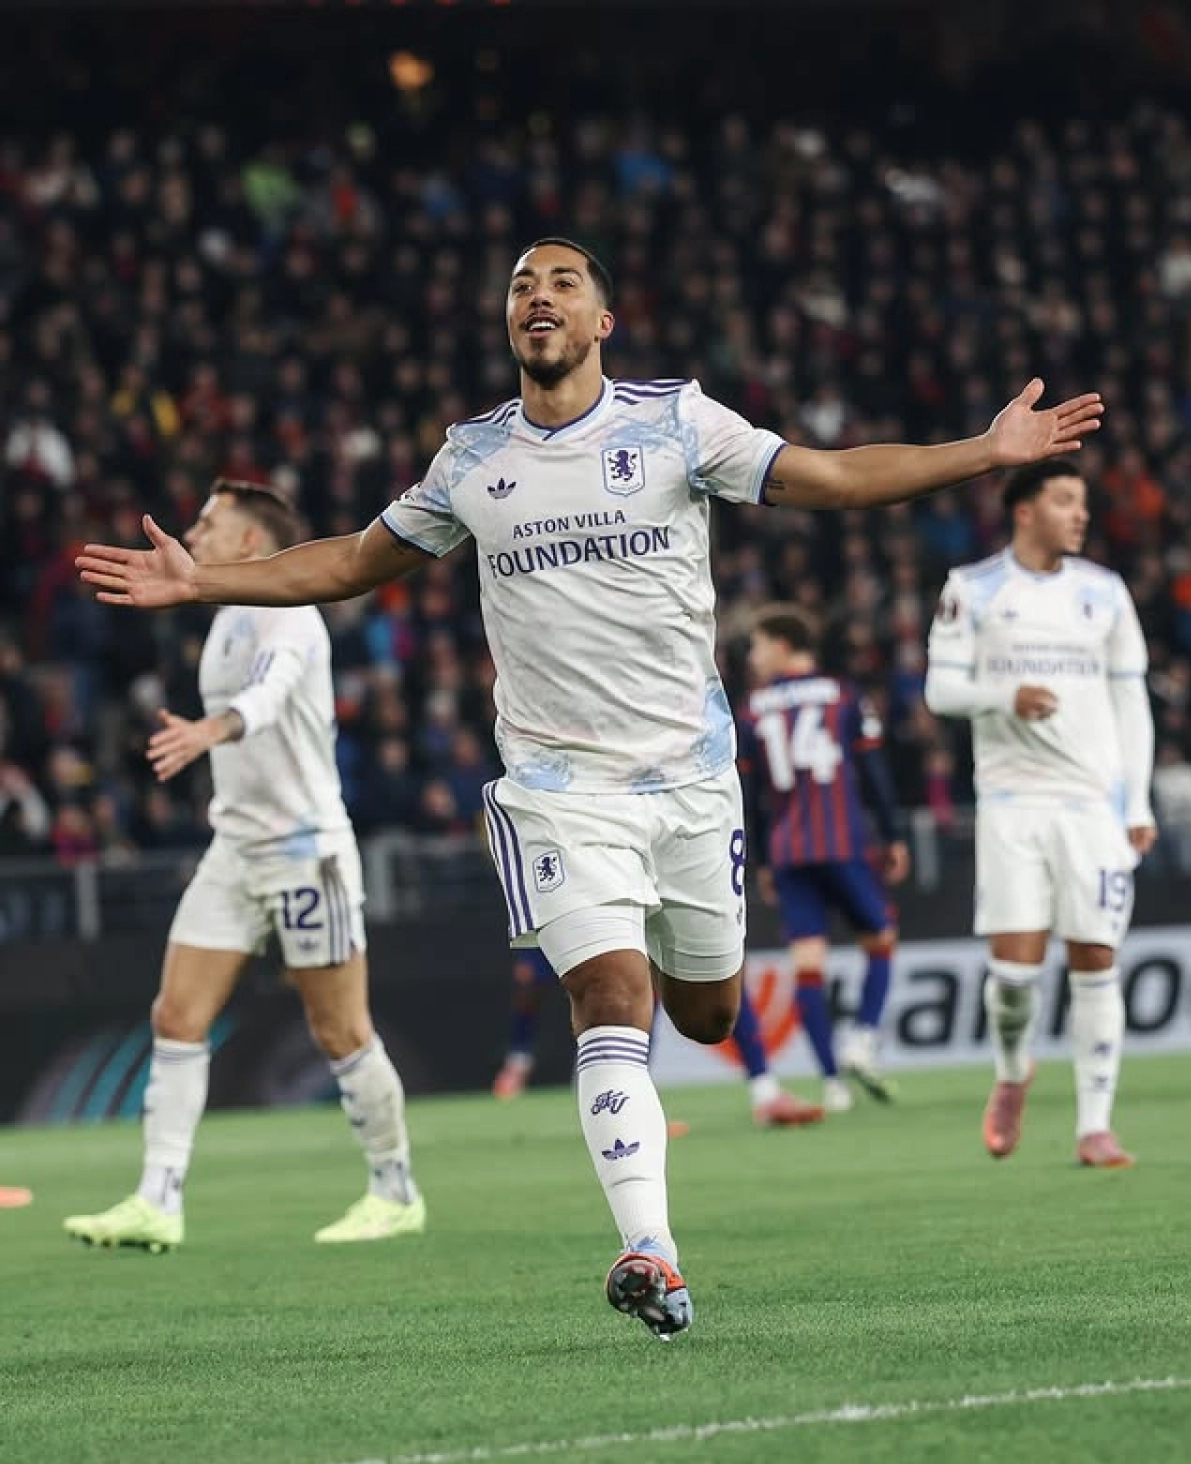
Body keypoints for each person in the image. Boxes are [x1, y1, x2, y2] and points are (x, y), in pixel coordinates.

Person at [76, 237, 1103, 1334]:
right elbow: (351, 561)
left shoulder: (674, 423)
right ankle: (651, 1251)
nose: (539, 296)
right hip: (559, 790)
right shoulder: (472, 458)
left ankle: (656, 979)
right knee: (610, 999)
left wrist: (983, 452)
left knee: (706, 1014)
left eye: (563, 282)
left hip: (692, 782)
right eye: (522, 284)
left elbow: (833, 476)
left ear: (602, 321)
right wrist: (206, 582)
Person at [64, 480, 425, 1252]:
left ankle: (395, 1190)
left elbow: (268, 696)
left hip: (307, 853)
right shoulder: (226, 614)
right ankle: (158, 1199)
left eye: (209, 522)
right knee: (176, 1017)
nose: (194, 531)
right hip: (235, 850)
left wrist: (209, 732)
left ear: (252, 542)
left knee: (341, 1031)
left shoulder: (290, 616)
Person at [924, 459, 1155, 1168]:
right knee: (1015, 977)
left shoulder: (1105, 593)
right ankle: (1012, 1072)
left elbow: (1131, 703)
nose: (1079, 514)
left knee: (1097, 958)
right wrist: (1005, 697)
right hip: (1012, 801)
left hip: (1092, 803)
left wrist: (1138, 801)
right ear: (1024, 510)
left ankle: (1095, 1125)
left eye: (1081, 501)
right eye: (1063, 500)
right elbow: (940, 691)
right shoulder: (972, 589)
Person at [738, 607, 909, 1113]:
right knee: (880, 940)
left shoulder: (751, 710)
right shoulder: (843, 695)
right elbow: (873, 771)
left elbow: (751, 795)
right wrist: (893, 835)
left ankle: (832, 1082)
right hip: (841, 842)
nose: (753, 657)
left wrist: (761, 859)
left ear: (783, 645)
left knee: (807, 965)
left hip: (789, 852)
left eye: (758, 646)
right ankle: (862, 1037)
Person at [492, 947, 826, 1128]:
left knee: (721, 969)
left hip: (673, 858)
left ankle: (765, 1090)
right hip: (601, 864)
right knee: (620, 982)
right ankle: (621, 1100)